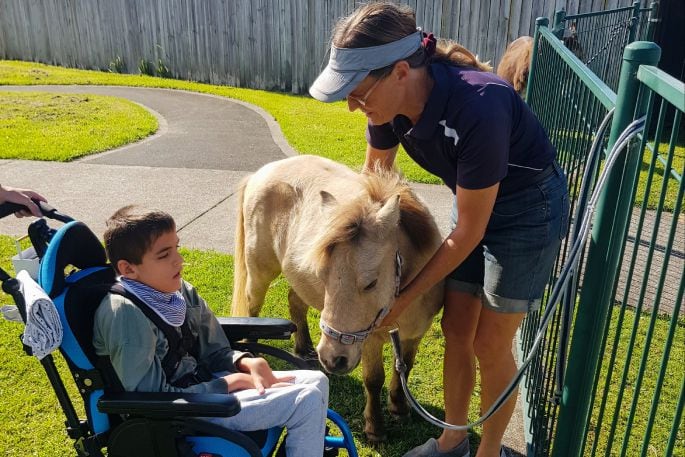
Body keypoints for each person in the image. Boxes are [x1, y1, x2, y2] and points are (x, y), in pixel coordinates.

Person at [309, 3, 568, 457]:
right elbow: (373, 195)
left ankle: (487, 452)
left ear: (401, 72)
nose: (351, 103)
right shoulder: (384, 110)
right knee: (455, 327)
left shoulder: (479, 105)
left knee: (490, 342)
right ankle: (452, 441)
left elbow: (468, 231)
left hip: (527, 211)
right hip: (474, 202)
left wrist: (402, 298)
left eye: (358, 91)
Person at [93, 205, 329, 457]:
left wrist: (245, 363)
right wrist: (230, 383)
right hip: (180, 415)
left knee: (317, 380)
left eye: (177, 248)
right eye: (164, 255)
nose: (179, 260)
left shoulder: (178, 291)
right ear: (128, 269)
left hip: (203, 385)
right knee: (306, 400)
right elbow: (150, 400)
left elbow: (216, 350)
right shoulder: (125, 314)